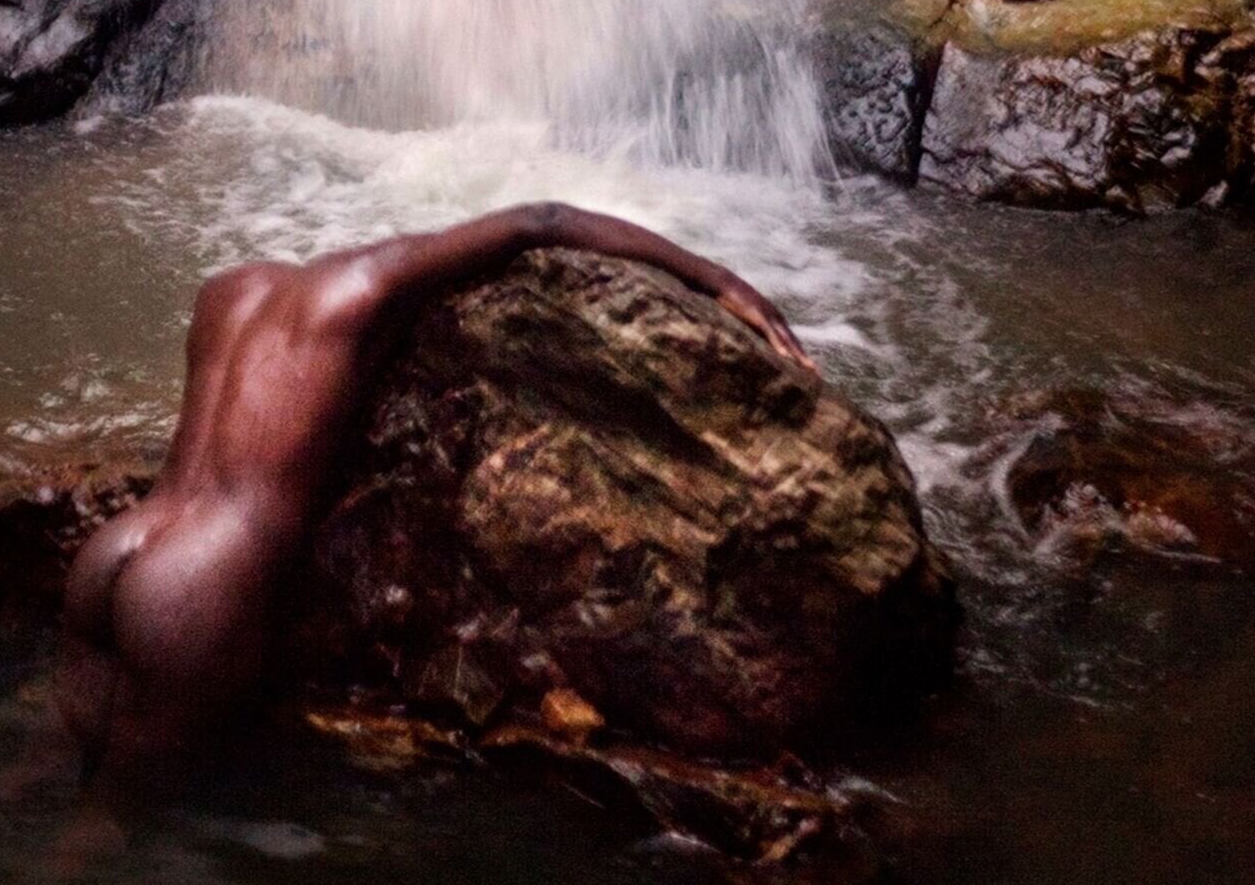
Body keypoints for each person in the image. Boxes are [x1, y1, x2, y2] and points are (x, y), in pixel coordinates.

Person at [56, 201, 814, 788]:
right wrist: (717, 279)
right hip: (200, 583)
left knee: (41, 769)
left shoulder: (225, 293)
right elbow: (539, 221)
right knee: (116, 828)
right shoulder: (362, 288)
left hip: (119, 549)